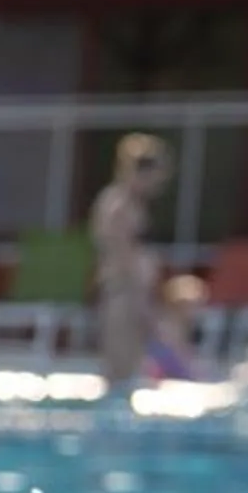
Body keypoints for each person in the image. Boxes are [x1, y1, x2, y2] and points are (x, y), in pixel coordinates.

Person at [93, 133, 173, 387]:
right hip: (124, 293)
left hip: (128, 292)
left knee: (130, 370)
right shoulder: (119, 206)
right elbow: (121, 254)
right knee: (121, 371)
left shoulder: (124, 203)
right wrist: (141, 301)